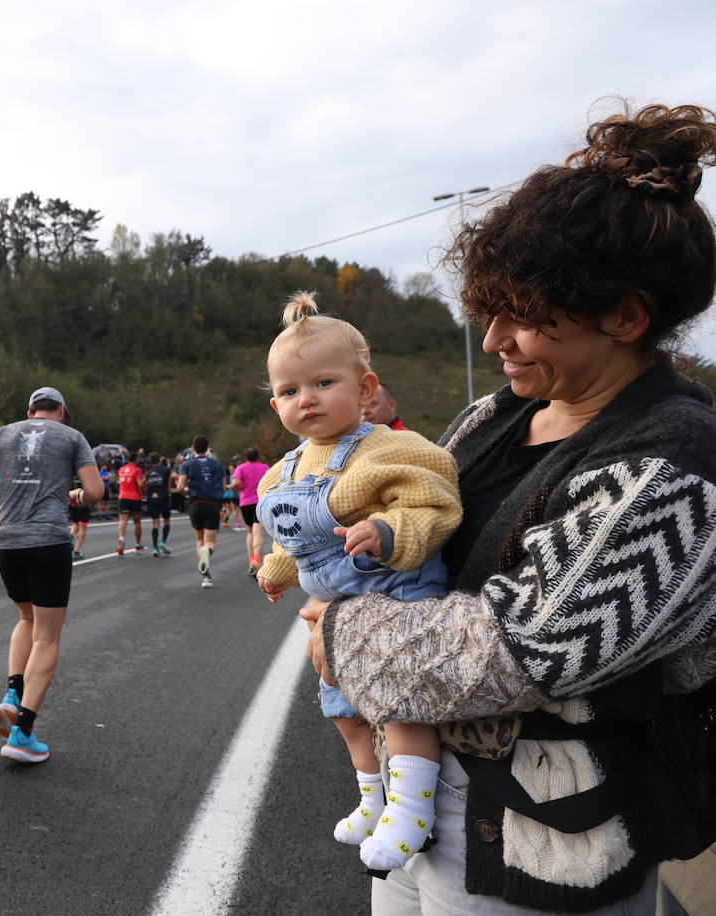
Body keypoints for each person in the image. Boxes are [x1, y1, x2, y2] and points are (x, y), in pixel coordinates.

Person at [304, 103, 716, 913]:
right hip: (417, 797)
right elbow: (419, 526)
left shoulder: (675, 459)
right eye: (489, 310)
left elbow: (521, 647)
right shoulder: (497, 417)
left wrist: (341, 628)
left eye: (522, 316)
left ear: (627, 318)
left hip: (545, 840)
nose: (494, 339)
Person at [255, 291, 461, 872]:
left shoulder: (393, 448)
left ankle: (413, 808)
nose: (307, 400)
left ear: (366, 389)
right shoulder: (285, 470)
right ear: (277, 407)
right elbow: (292, 535)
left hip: (396, 589)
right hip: (338, 603)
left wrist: (390, 530)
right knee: (342, 708)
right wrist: (278, 568)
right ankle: (372, 794)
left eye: (323, 383)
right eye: (291, 392)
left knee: (401, 701)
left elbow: (435, 502)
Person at [0, 386, 103, 763]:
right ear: (62, 410)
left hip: (6, 542)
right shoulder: (73, 437)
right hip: (47, 541)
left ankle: (11, 692)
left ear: (29, 411)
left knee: (25, 616)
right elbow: (95, 490)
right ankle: (22, 732)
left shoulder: (1, 433)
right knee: (48, 637)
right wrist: (75, 497)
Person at [177, 435, 225, 589]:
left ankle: (206, 577)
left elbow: (180, 487)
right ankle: (207, 553)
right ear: (207, 447)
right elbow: (224, 487)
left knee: (199, 540)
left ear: (193, 447)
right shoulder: (218, 464)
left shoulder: (187, 464)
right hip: (212, 504)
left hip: (196, 504)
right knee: (210, 542)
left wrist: (186, 491)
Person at [229, 447, 270, 577]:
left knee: (250, 531)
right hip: (260, 502)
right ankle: (257, 561)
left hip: (246, 502)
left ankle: (251, 561)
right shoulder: (265, 467)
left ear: (246, 457)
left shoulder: (240, 468)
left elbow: (235, 483)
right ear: (258, 456)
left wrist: (238, 487)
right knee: (259, 532)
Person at [143, 451, 173, 557]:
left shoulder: (147, 472)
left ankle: (155, 548)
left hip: (152, 498)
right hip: (163, 497)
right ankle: (163, 542)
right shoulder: (166, 470)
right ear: (159, 460)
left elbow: (144, 485)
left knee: (155, 523)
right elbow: (169, 485)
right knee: (167, 521)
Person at [115, 452, 145, 555]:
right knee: (137, 522)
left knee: (123, 520)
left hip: (122, 496)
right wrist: (144, 481)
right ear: (136, 460)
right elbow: (140, 484)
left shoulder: (121, 469)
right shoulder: (137, 470)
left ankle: (121, 539)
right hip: (134, 497)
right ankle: (138, 544)